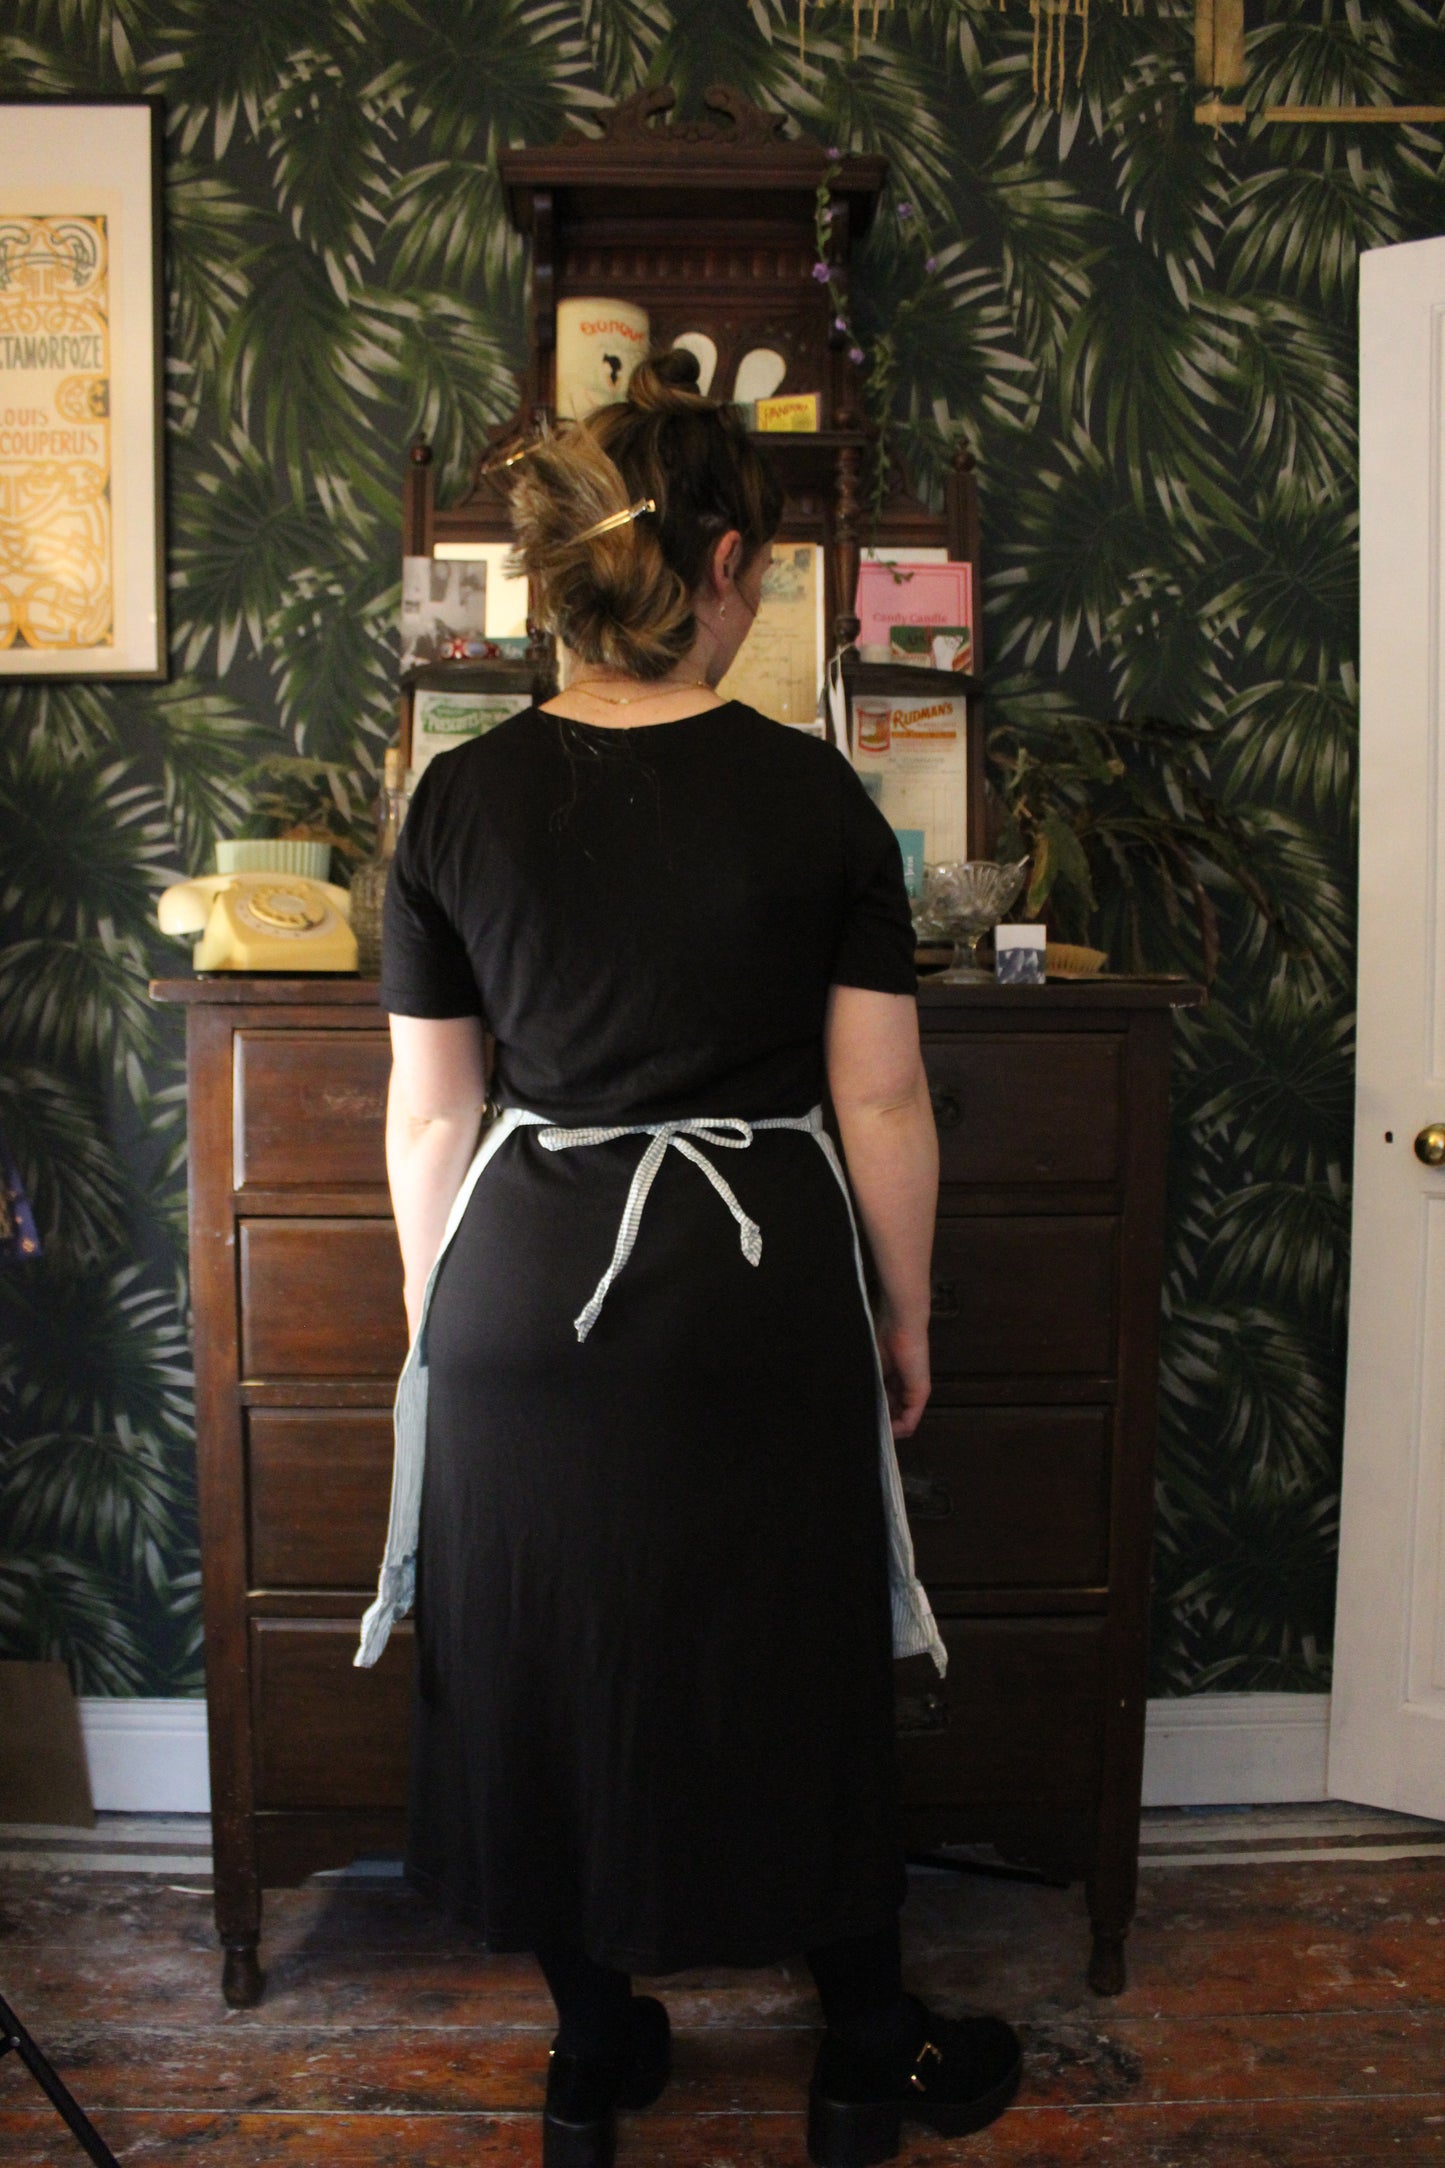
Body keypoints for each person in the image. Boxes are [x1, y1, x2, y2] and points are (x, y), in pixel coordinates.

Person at [360, 349, 1022, 2168]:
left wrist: (443, 1322)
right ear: (726, 565)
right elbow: (881, 1106)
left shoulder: (455, 801)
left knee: (546, 1661)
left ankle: (594, 2056)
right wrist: (905, 1314)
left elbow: (431, 1121)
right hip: (752, 1292)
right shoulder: (816, 800)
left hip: (517, 1288)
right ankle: (862, 2046)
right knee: (792, 1659)